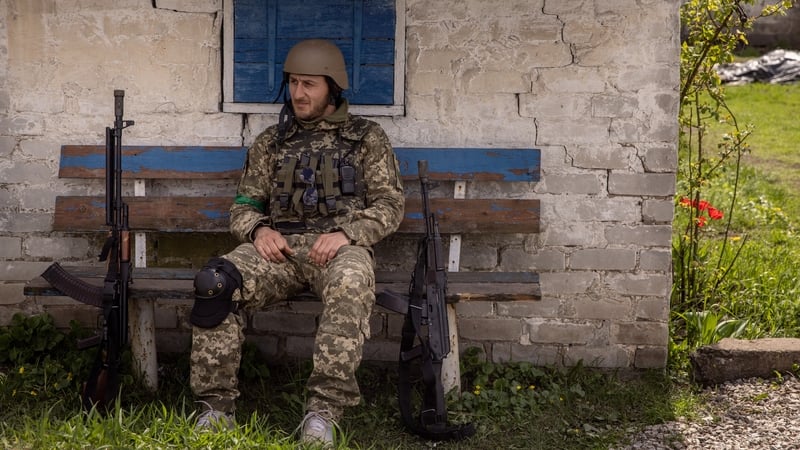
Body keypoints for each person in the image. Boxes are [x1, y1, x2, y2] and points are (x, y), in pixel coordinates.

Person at [188, 39, 405, 445]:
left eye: (309, 84)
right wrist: (259, 230)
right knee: (215, 281)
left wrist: (347, 234)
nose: (298, 93)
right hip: (279, 251)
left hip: (341, 250)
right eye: (293, 83)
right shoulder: (272, 142)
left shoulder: (366, 138)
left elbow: (390, 205)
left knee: (352, 284)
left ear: (332, 88)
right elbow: (243, 206)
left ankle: (324, 412)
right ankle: (216, 408)